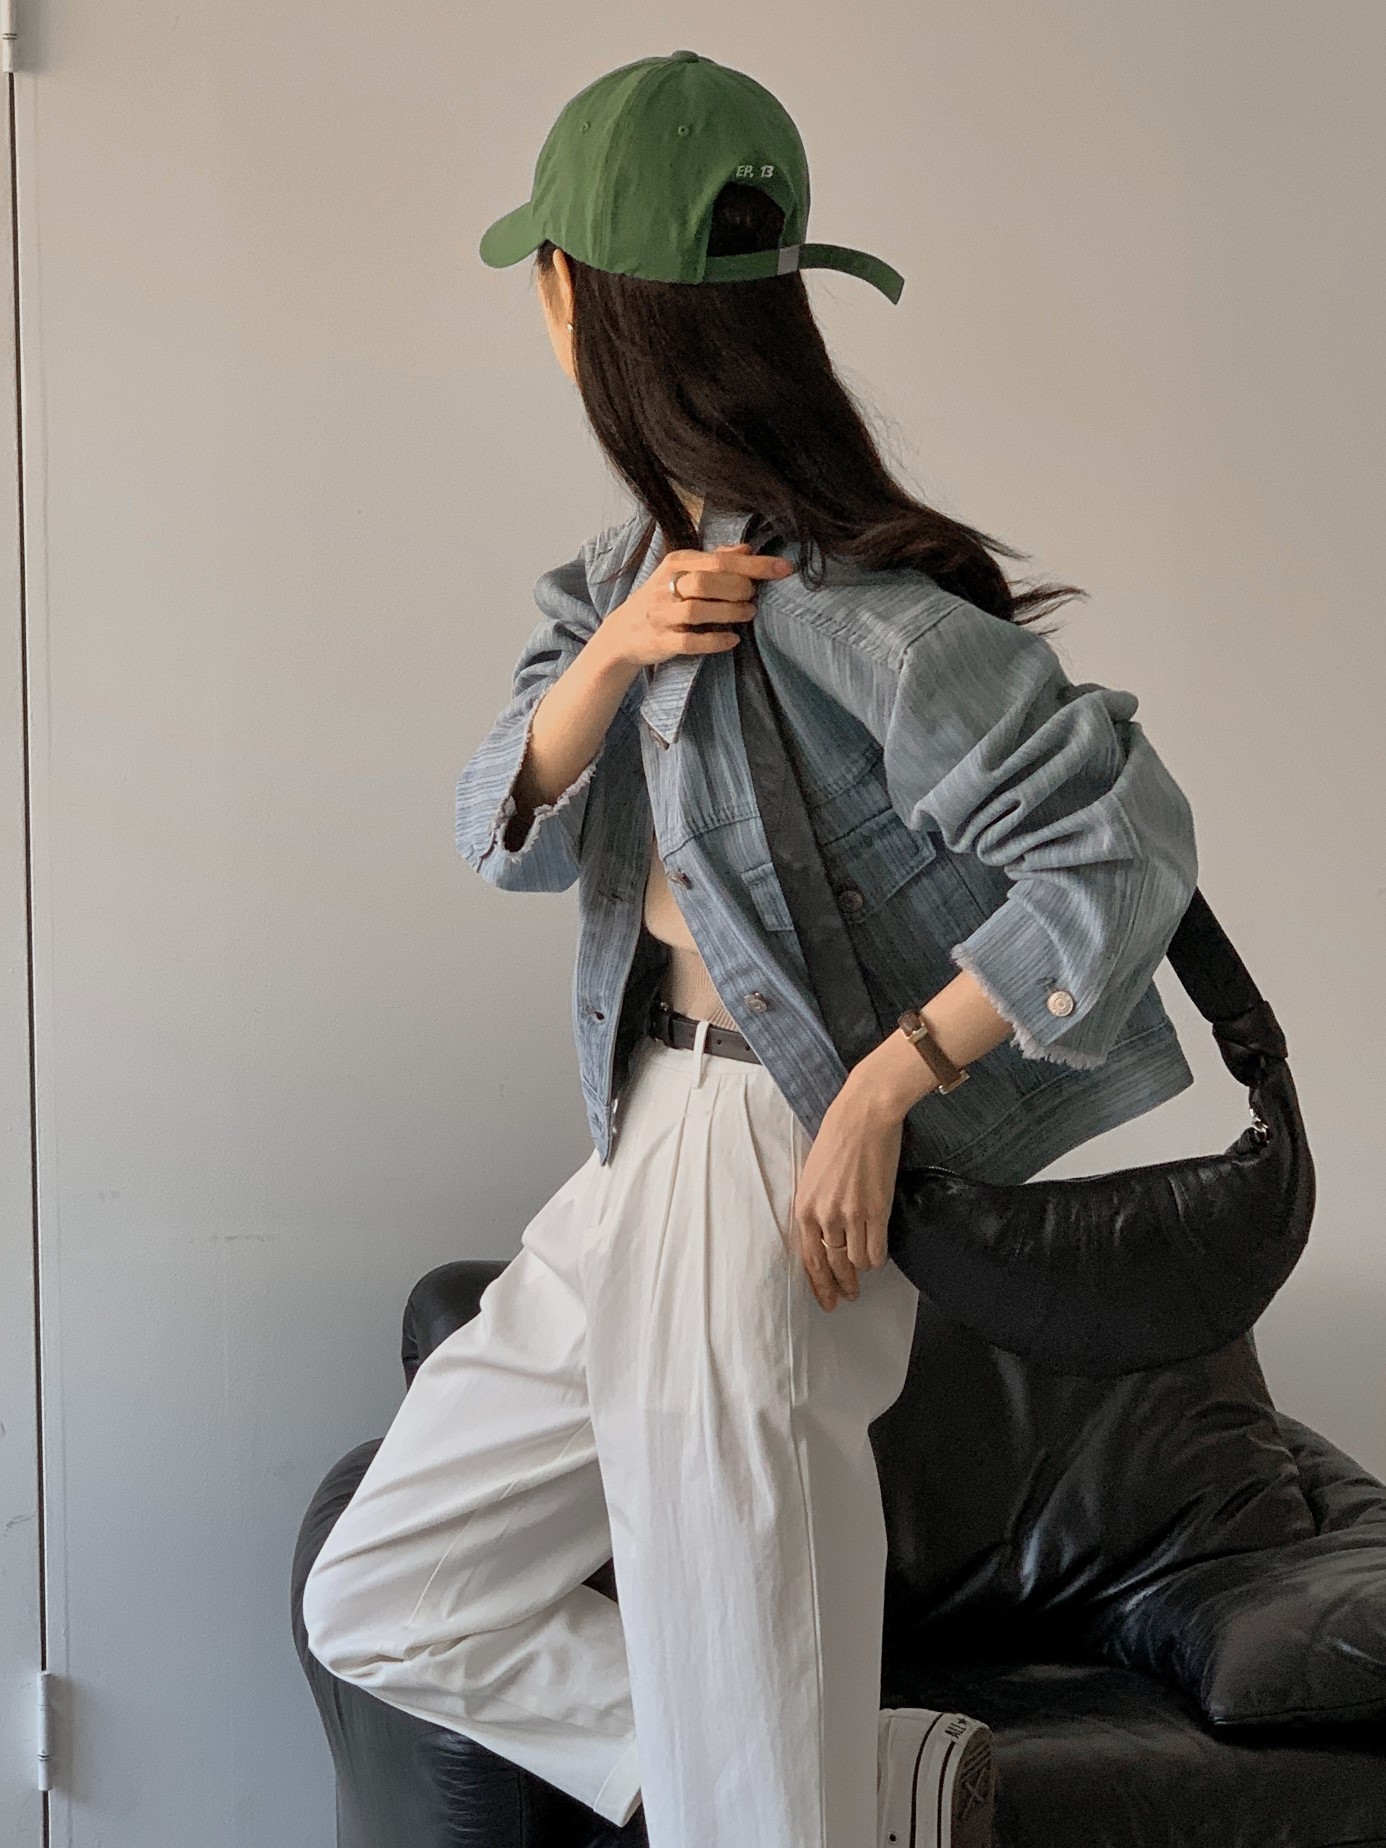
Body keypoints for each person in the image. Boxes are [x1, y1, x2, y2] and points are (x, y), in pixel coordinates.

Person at [302, 49, 1199, 1848]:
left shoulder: (846, 608)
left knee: (747, 1756)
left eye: (546, 277)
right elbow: (496, 827)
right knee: (388, 1590)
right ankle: (868, 1783)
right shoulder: (615, 585)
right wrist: (616, 655)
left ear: (581, 302)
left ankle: (814, 1792)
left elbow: (1125, 854)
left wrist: (881, 1088)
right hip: (638, 1140)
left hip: (758, 1157)